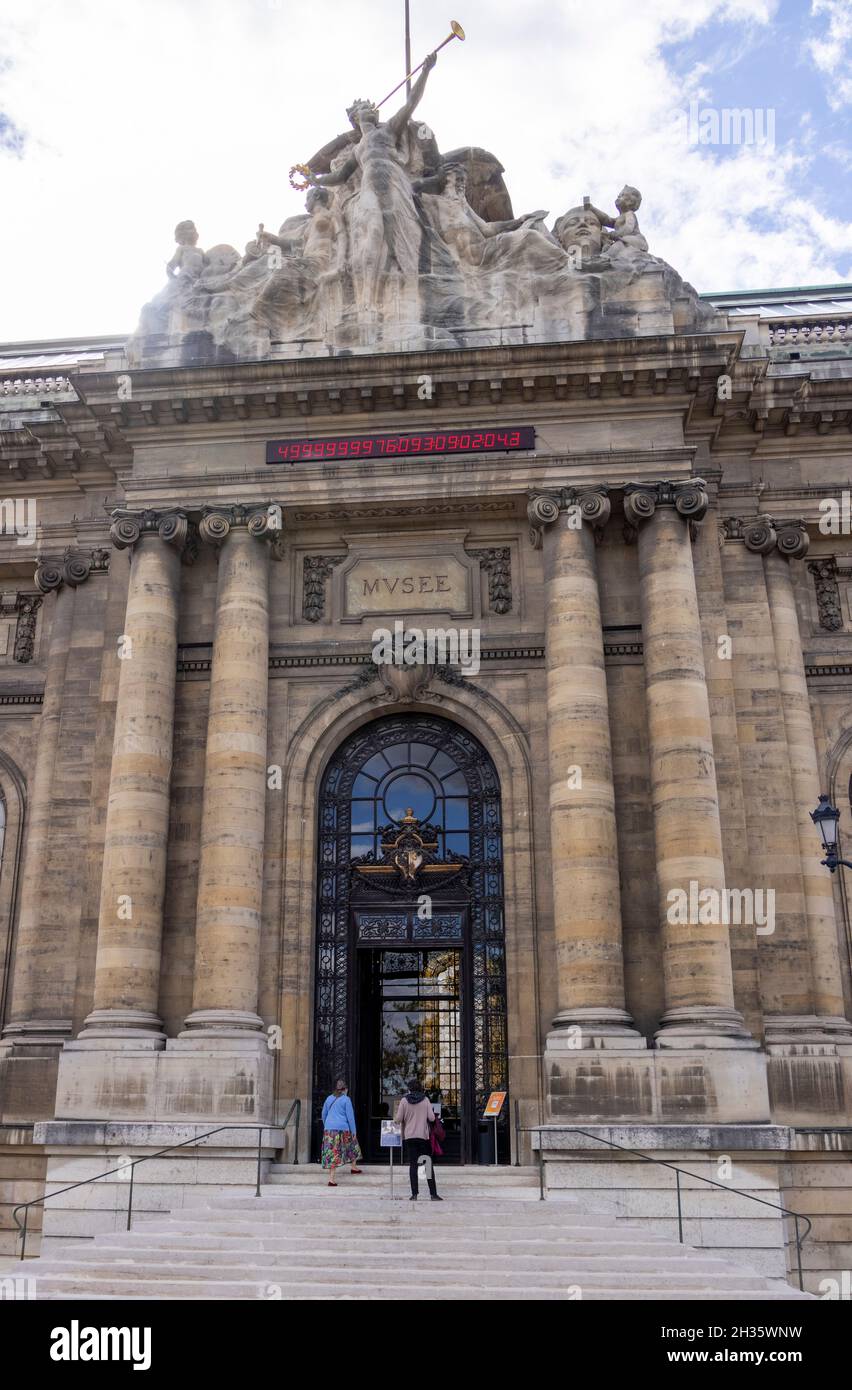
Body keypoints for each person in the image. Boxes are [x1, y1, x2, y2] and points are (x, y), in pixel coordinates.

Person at [395, 1078, 442, 1201]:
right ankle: (433, 1194)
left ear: (409, 1089)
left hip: (409, 1137)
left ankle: (414, 1194)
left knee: (413, 1165)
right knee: (427, 1165)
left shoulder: (404, 1101)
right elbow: (432, 1118)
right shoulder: (425, 1100)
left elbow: (398, 1119)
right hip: (423, 1137)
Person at [321, 1079, 363, 1187]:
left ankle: (332, 1178)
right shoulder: (346, 1099)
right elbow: (350, 1118)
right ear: (345, 1089)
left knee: (332, 1152)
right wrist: (354, 1131)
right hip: (342, 1128)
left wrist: (327, 1125)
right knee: (352, 1144)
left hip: (329, 1130)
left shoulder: (329, 1098)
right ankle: (353, 1167)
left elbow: (323, 1114)